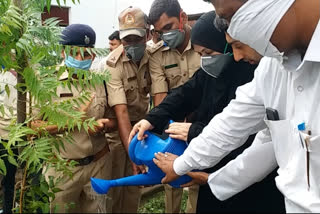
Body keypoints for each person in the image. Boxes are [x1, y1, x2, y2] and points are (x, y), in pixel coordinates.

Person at [153, 0, 320, 212]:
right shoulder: (273, 68)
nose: (238, 56)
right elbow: (236, 128)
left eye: (230, 17)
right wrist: (190, 169)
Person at [129, 11, 284, 213]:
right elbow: (184, 94)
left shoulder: (255, 74)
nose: (205, 60)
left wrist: (195, 132)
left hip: (251, 184)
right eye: (199, 54)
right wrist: (152, 119)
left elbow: (243, 131)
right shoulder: (211, 72)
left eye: (209, 53)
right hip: (210, 168)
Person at [31, 24, 116, 213]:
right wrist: (74, 121)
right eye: (75, 53)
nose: (80, 59)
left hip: (98, 165)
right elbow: (34, 126)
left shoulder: (101, 79)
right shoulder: (46, 82)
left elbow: (113, 118)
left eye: (86, 55)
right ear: (63, 52)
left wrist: (104, 125)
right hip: (62, 169)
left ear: (93, 55)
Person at [147, 0, 201, 212]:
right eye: (160, 32)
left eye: (168, 27)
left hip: (203, 121)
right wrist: (161, 132)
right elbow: (160, 95)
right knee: (170, 176)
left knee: (196, 176)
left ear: (183, 18)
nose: (165, 35)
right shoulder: (158, 55)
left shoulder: (203, 42)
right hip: (173, 122)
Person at [105, 6, 151, 213]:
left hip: (142, 130)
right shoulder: (112, 65)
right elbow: (121, 112)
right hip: (116, 133)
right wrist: (133, 154)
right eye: (127, 40)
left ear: (148, 35)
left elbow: (159, 97)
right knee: (115, 189)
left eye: (137, 39)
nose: (131, 45)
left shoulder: (153, 57)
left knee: (133, 189)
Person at [0, 70, 18, 213]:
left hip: (15, 136)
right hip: (3, 133)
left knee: (9, 177)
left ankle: (7, 209)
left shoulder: (29, 76)